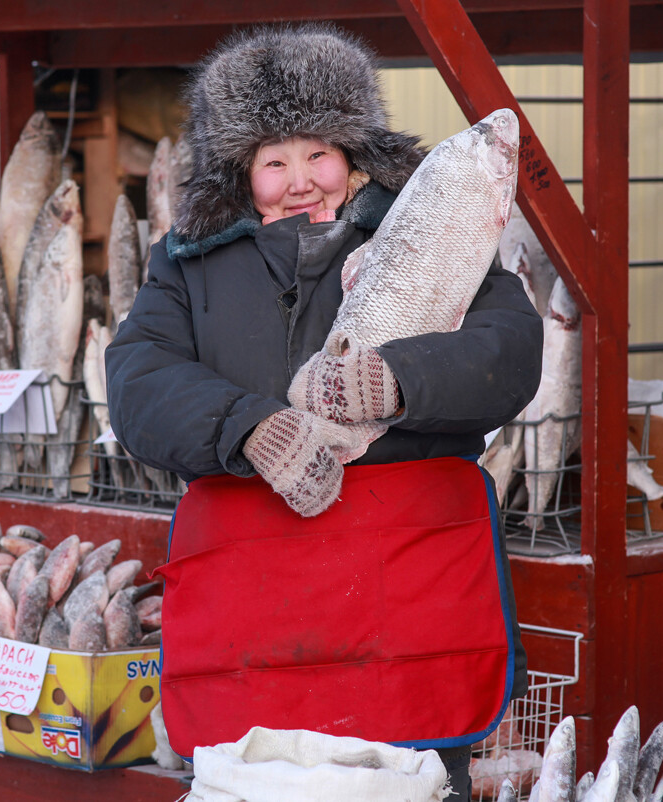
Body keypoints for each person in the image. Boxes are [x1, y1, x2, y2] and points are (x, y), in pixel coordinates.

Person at [105, 23, 543, 798]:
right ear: (241, 174)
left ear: (354, 153)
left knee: (411, 781)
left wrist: (399, 379)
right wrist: (249, 428)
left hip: (408, 588)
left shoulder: (425, 231)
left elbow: (510, 350)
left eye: (319, 153)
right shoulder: (184, 261)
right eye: (274, 161)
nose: (300, 178)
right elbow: (139, 382)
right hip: (256, 596)